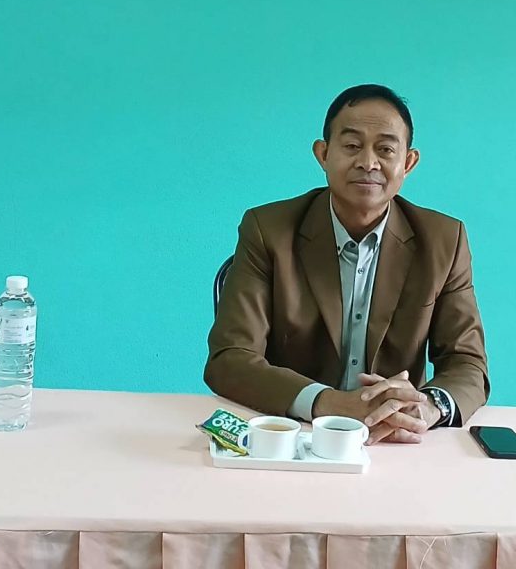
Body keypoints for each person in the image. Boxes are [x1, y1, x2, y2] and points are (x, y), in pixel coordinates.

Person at [204, 85, 488, 444]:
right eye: (352, 146)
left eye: (385, 149)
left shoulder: (444, 240)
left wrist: (428, 407)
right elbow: (230, 358)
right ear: (323, 154)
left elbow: (467, 362)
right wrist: (327, 403)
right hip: (294, 434)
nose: (368, 163)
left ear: (408, 163)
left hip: (394, 439)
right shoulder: (268, 230)